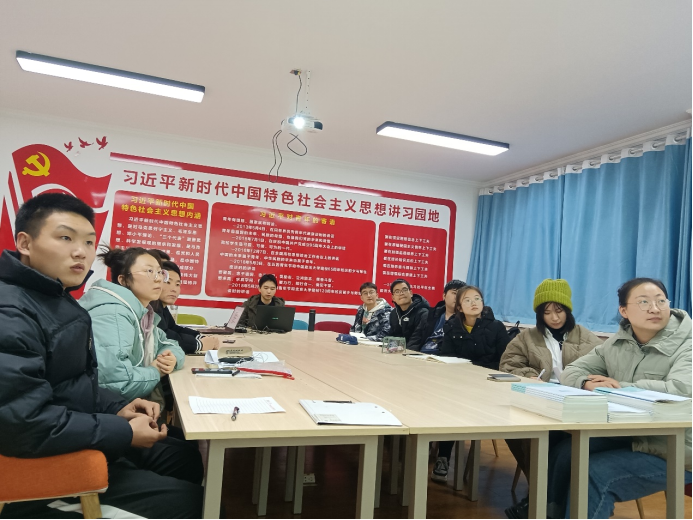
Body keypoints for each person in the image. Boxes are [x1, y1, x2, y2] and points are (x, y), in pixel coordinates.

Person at [0, 193, 202, 519]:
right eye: (65, 238)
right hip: (42, 469)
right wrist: (123, 430)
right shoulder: (10, 312)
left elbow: (74, 386)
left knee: (184, 459)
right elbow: (22, 423)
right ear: (25, 243)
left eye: (89, 242)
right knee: (197, 504)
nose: (81, 251)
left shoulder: (57, 300)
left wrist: (118, 407)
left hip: (77, 436)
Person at [507, 277, 692, 519]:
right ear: (623, 310)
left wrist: (617, 387)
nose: (654, 308)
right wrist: (586, 383)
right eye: (644, 302)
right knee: (565, 451)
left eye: (661, 301)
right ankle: (543, 510)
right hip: (630, 432)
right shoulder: (619, 341)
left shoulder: (687, 342)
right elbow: (572, 371)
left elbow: (680, 390)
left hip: (674, 446)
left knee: (593, 473)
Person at [499, 279, 602, 483]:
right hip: (541, 399)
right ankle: (539, 485)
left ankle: (552, 488)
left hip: (576, 402)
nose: (554, 317)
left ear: (568, 310)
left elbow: (603, 366)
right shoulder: (527, 337)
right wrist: (528, 375)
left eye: (559, 310)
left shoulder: (586, 337)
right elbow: (508, 364)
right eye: (547, 312)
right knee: (515, 429)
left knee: (558, 438)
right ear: (539, 315)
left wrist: (585, 380)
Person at [79, 246, 186, 408]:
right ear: (124, 280)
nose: (158, 279)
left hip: (126, 406)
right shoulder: (114, 313)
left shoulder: (141, 312)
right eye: (149, 271)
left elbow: (169, 344)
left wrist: (171, 358)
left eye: (159, 272)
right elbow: (119, 384)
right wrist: (157, 370)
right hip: (106, 411)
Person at [153, 259, 221, 354]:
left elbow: (174, 328)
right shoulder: (152, 306)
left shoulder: (161, 306)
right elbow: (165, 336)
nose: (174, 289)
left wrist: (199, 336)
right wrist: (199, 344)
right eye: (168, 282)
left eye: (177, 284)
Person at [440, 285, 510, 369]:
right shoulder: (452, 327)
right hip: (459, 372)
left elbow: (506, 360)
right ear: (459, 308)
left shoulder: (497, 327)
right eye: (467, 300)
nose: (473, 303)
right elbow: (446, 357)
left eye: (477, 299)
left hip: (488, 373)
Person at [421, 279, 466, 355]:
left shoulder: (466, 320)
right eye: (454, 293)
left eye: (461, 295)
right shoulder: (430, 314)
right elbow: (417, 339)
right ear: (444, 296)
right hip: (421, 355)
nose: (457, 297)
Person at [388, 278, 430, 351]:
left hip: (415, 353)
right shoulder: (394, 314)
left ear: (411, 293)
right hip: (399, 353)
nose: (401, 293)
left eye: (404, 290)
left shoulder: (423, 313)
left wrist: (404, 353)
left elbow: (416, 341)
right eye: (397, 291)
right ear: (393, 298)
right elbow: (393, 337)